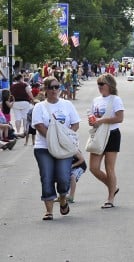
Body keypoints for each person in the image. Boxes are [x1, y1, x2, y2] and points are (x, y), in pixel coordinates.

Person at [32, 76, 80, 220]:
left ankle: (63, 198)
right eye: (51, 87)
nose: (54, 90)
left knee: (63, 177)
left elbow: (76, 124)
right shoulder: (39, 107)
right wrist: (53, 139)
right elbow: (39, 126)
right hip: (44, 148)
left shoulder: (67, 105)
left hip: (64, 148)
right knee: (46, 177)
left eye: (56, 87)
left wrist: (65, 137)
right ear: (45, 89)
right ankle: (49, 211)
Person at [88, 73, 125, 209]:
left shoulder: (115, 99)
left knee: (109, 167)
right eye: (98, 84)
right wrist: (92, 121)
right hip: (98, 134)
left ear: (109, 85)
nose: (99, 87)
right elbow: (93, 116)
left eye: (102, 84)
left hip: (112, 134)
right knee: (93, 168)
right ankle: (112, 186)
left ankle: (110, 198)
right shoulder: (96, 100)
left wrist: (102, 120)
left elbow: (119, 118)